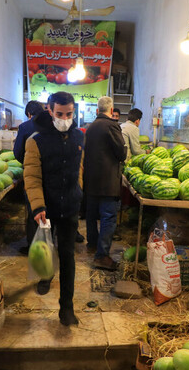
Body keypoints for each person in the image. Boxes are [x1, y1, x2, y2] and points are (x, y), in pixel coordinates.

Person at [24, 91, 84, 326]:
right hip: (45, 209)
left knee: (68, 256)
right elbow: (31, 176)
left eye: (69, 114)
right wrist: (38, 205)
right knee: (45, 251)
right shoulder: (35, 140)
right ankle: (45, 277)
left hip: (69, 207)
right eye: (60, 113)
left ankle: (66, 308)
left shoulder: (79, 137)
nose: (65, 118)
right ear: (49, 110)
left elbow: (80, 169)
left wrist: (78, 191)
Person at [84, 96, 126, 270]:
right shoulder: (112, 125)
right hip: (107, 181)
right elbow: (121, 154)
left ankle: (92, 245)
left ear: (97, 110)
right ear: (111, 110)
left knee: (92, 215)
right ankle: (101, 256)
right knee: (108, 217)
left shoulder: (90, 127)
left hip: (91, 180)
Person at [13, 100, 45, 255]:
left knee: (33, 209)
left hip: (32, 176)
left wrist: (28, 163)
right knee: (49, 209)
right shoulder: (52, 124)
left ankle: (33, 247)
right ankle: (48, 243)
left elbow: (18, 152)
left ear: (29, 114)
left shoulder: (25, 127)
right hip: (50, 175)